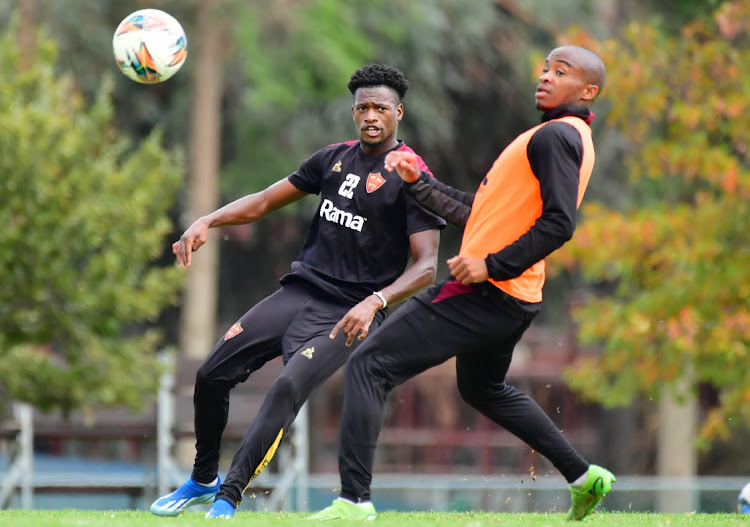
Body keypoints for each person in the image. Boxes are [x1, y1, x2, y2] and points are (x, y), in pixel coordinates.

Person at [308, 46, 614, 522]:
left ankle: (353, 503)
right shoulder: (555, 136)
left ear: (588, 91)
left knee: (368, 364)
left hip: (488, 292)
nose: (545, 77)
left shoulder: (556, 137)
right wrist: (419, 183)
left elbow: (560, 224)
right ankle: (583, 476)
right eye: (545, 69)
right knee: (482, 388)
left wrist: (491, 265)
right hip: (515, 299)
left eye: (561, 72)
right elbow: (479, 213)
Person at [149, 63, 446, 518]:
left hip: (352, 311)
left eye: (380, 108)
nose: (370, 115)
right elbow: (265, 202)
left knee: (286, 387)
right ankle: (203, 479)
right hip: (300, 292)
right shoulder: (332, 159)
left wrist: (375, 302)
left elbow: (427, 266)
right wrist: (208, 220)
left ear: (398, 113)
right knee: (211, 374)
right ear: (353, 113)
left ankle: (228, 497)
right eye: (362, 107)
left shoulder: (410, 176)